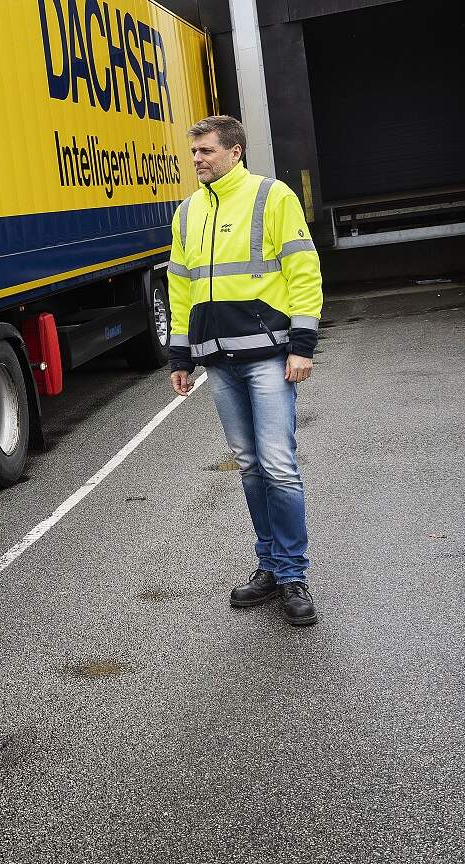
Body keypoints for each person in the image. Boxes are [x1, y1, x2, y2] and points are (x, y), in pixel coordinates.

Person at [166, 114, 326, 626]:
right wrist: (181, 355)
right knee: (251, 466)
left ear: (235, 151)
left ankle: (294, 575)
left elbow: (304, 270)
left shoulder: (271, 197)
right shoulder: (188, 212)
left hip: (269, 358)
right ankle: (270, 568)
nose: (197, 160)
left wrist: (302, 346)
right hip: (218, 363)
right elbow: (181, 287)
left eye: (206, 151)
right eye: (193, 152)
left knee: (278, 465)